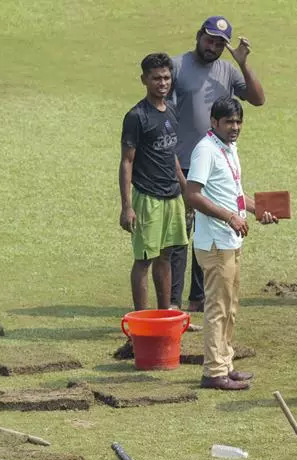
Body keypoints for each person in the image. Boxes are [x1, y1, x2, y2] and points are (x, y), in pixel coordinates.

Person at [168, 15, 266, 313]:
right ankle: (173, 303)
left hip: (215, 165)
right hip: (182, 163)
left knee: (207, 231)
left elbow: (258, 99)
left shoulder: (227, 70)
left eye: (220, 43)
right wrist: (173, 166)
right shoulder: (177, 66)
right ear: (198, 36)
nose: (213, 47)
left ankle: (197, 298)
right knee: (179, 236)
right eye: (210, 40)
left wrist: (243, 63)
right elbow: (166, 118)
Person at [184, 97, 278, 391]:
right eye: (229, 122)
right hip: (215, 242)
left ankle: (225, 364)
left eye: (238, 122)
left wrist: (256, 210)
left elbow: (234, 193)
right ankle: (213, 372)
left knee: (230, 306)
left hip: (231, 238)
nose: (235, 127)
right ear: (214, 122)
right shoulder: (205, 150)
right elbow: (193, 195)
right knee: (218, 307)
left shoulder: (228, 148)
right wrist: (229, 218)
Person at [119, 53, 187, 311]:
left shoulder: (170, 109)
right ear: (144, 80)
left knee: (166, 255)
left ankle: (165, 312)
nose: (162, 83)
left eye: (167, 77)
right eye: (156, 78)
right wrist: (127, 206)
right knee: (144, 259)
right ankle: (142, 319)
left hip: (172, 197)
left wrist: (185, 190)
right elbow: (127, 162)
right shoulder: (136, 116)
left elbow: (171, 156)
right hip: (147, 198)